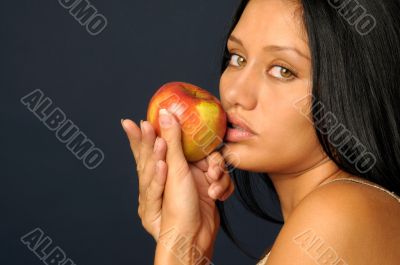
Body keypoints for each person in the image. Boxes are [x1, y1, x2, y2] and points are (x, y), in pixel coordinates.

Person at [121, 0, 400, 264]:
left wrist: (175, 253)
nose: (234, 93)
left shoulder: (337, 215)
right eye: (237, 58)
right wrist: (186, 243)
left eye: (282, 70)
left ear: (354, 90)